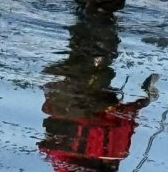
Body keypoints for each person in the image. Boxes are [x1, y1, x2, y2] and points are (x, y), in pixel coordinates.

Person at [38, 12, 156, 171]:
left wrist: (142, 102)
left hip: (84, 98)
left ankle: (92, 12)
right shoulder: (113, 153)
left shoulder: (114, 153)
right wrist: (142, 102)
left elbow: (125, 119)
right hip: (85, 98)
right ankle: (92, 13)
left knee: (93, 48)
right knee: (94, 47)